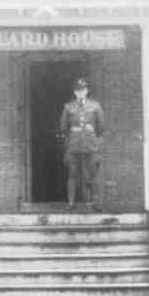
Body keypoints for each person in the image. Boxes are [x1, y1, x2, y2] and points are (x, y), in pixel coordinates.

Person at [59, 78, 105, 210]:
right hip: (73, 144)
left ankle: (96, 203)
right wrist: (71, 137)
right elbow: (63, 127)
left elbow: (101, 126)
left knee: (93, 173)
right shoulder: (68, 107)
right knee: (72, 173)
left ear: (87, 91)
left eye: (83, 90)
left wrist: (93, 138)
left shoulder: (95, 106)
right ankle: (71, 203)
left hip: (91, 143)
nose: (81, 93)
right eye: (78, 90)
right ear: (74, 92)